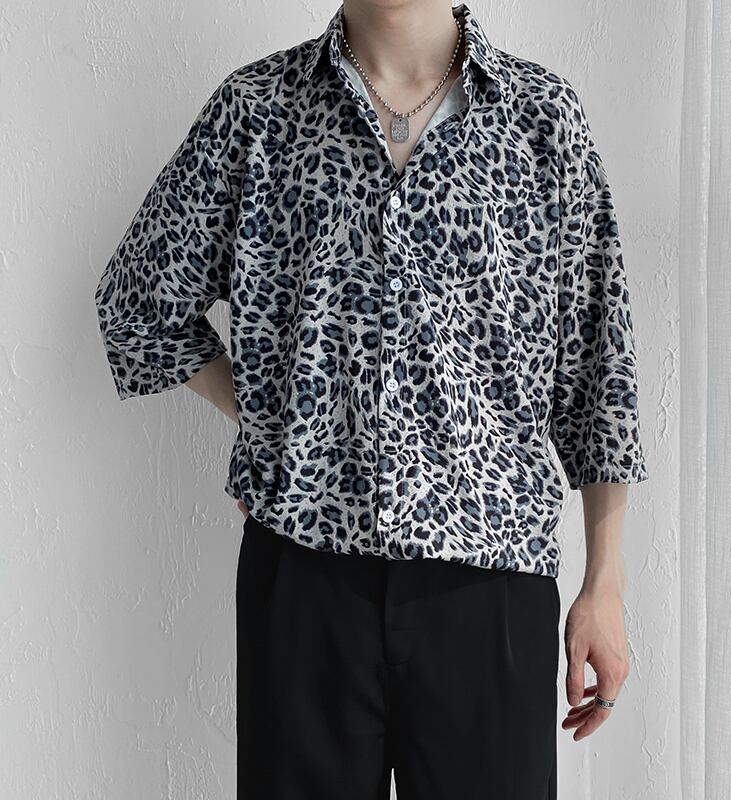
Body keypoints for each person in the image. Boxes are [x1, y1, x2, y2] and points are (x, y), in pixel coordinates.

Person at [94, 1, 649, 797]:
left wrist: (605, 584)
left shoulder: (540, 118)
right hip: (305, 579)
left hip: (490, 580)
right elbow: (138, 301)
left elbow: (600, 369)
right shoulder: (258, 110)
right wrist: (275, 420)